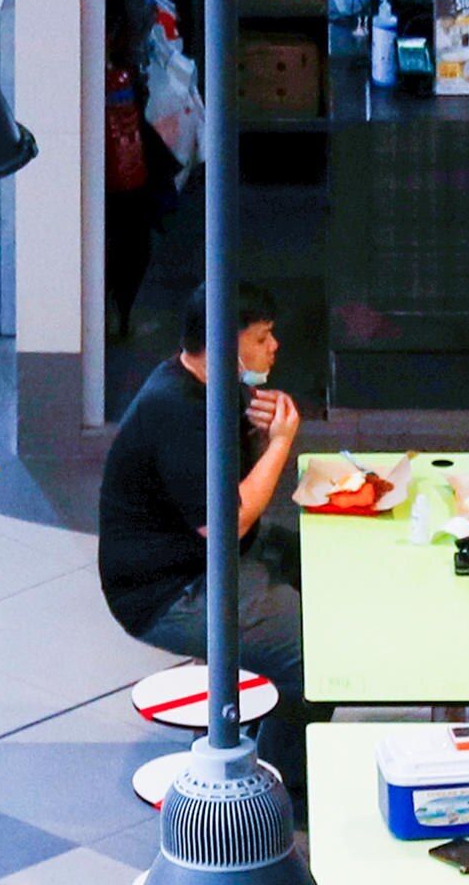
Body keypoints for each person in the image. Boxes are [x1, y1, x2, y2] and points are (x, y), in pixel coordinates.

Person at [92, 280, 308, 789]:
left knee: (318, 562)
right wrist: (280, 444)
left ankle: (262, 721)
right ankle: (284, 792)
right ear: (227, 344)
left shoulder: (211, 386)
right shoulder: (178, 410)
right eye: (262, 337)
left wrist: (257, 434)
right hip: (168, 591)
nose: (274, 347)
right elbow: (227, 522)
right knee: (310, 652)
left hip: (203, 560)